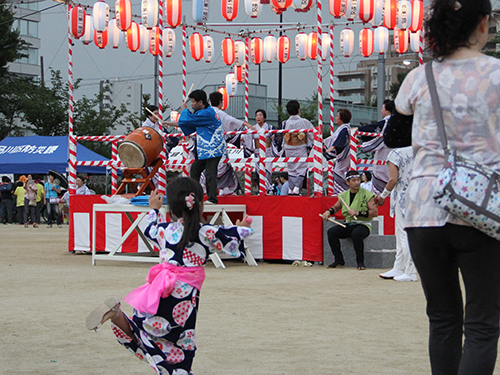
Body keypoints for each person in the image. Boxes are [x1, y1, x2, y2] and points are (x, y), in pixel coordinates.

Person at [394, 1, 500, 373]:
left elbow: (398, 121)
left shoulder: (420, 77)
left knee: (442, 319)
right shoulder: (496, 74)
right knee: (482, 325)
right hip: (480, 208)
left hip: (424, 207)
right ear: (484, 23)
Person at [85, 177, 253, 375]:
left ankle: (117, 315)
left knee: (143, 333)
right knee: (181, 347)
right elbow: (233, 242)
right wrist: (243, 228)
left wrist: (154, 209)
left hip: (159, 292)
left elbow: (149, 229)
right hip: (182, 301)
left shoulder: (164, 231)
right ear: (199, 205)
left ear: (171, 209)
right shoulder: (205, 232)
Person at [168, 90, 226, 204]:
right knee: (195, 169)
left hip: (214, 146)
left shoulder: (208, 112)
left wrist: (184, 109)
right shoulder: (202, 113)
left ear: (200, 102)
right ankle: (194, 195)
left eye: (194, 102)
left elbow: (189, 120)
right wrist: (170, 124)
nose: (192, 104)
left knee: (210, 173)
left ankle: (212, 198)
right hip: (206, 147)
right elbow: (190, 122)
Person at [321, 170, 378, 270]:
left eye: (358, 180)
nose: (357, 182)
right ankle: (339, 259)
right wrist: (328, 212)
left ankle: (360, 261)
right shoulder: (343, 195)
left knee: (356, 234)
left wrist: (358, 213)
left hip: (364, 224)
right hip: (349, 224)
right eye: (353, 180)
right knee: (332, 232)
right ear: (347, 182)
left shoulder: (368, 195)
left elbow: (374, 212)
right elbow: (336, 207)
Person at [376, 147, 417, 282]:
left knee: (403, 234)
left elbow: (393, 179)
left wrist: (383, 196)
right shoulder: (420, 149)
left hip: (403, 197)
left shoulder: (395, 153)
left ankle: (410, 270)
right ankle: (399, 266)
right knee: (402, 233)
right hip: (418, 195)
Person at [359, 100, 394, 194]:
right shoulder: (401, 123)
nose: (382, 110)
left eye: (382, 108)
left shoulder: (386, 122)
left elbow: (373, 129)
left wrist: (358, 129)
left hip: (384, 155)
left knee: (379, 191)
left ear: (387, 110)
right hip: (396, 155)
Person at [282, 100, 314, 195]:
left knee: (291, 167)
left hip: (289, 146)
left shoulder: (286, 122)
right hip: (300, 146)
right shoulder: (304, 121)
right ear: (298, 110)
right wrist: (311, 144)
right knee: (301, 167)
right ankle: (296, 187)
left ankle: (291, 188)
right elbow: (312, 134)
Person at [242, 109, 274, 193]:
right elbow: (246, 137)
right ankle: (261, 192)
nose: (258, 117)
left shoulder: (270, 127)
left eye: (260, 115)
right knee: (259, 174)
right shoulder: (254, 128)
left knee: (267, 174)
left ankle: (265, 191)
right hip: (257, 154)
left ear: (264, 117)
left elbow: (275, 138)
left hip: (268, 153)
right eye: (256, 115)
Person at [324, 109, 352, 194]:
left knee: (338, 173)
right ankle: (341, 192)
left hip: (344, 154)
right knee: (338, 173)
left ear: (341, 118)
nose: (335, 118)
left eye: (337, 116)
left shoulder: (345, 128)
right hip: (343, 154)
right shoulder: (343, 128)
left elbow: (340, 139)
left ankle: (343, 192)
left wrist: (333, 146)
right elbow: (333, 139)